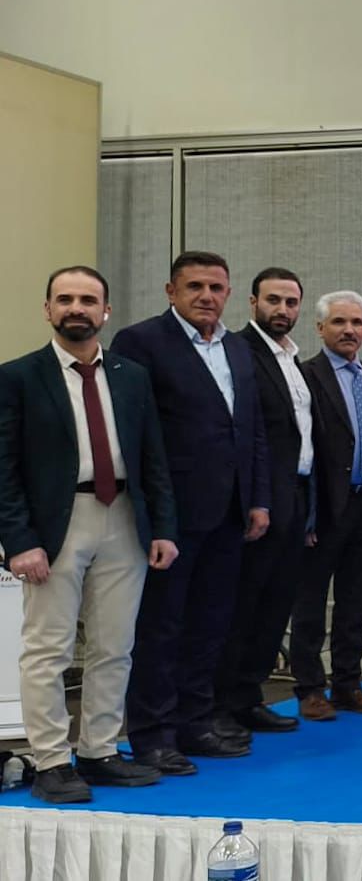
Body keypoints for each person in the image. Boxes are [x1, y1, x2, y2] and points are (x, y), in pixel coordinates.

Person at [0, 267, 177, 804]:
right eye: (65, 299)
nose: (76, 308)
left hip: (124, 517)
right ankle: (52, 760)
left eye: (88, 299)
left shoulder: (132, 375)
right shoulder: (18, 377)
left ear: (106, 311)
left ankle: (99, 751)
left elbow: (153, 457)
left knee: (115, 646)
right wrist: (19, 540)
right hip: (56, 524)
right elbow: (3, 467)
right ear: (48, 309)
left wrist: (163, 528)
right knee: (48, 649)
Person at [111, 250, 270, 775]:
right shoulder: (140, 342)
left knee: (210, 624)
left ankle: (195, 722)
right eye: (195, 286)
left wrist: (258, 498)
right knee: (162, 627)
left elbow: (251, 429)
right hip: (171, 514)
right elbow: (135, 434)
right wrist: (155, 513)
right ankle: (153, 734)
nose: (206, 296)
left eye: (216, 288)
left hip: (230, 510)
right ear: (171, 291)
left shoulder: (237, 347)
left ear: (229, 294)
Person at [290, 291, 362, 720]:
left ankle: (348, 684)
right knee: (311, 602)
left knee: (355, 601)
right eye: (339, 322)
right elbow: (300, 451)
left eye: (356, 323)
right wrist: (306, 514)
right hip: (324, 508)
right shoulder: (304, 377)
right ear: (320, 328)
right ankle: (309, 688)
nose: (349, 330)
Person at [217, 268, 313, 736]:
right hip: (259, 499)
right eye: (273, 300)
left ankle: (248, 697)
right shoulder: (238, 352)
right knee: (243, 606)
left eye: (291, 302)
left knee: (275, 604)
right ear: (252, 302)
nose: (282, 310)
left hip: (297, 495)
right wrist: (257, 498)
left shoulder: (293, 358)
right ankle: (220, 704)